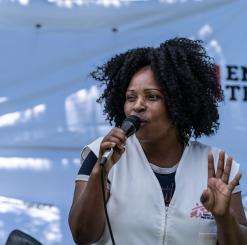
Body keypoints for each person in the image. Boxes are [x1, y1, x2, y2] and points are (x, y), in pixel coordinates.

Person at [68, 37, 247, 245]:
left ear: (179, 103)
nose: (138, 106)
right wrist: (100, 173)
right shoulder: (99, 152)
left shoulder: (217, 165)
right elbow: (81, 236)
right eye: (131, 97)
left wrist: (224, 218)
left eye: (152, 97)